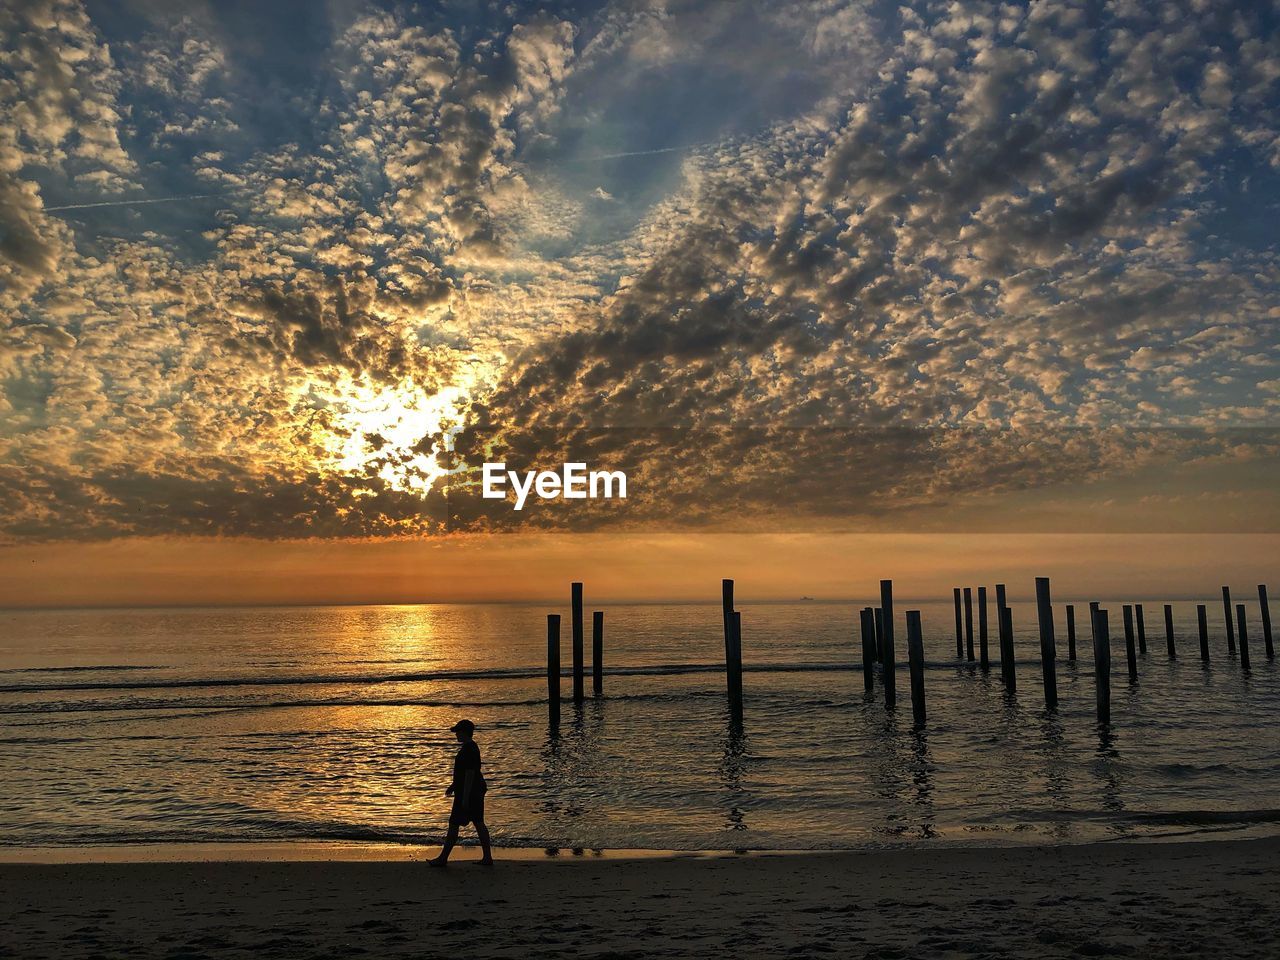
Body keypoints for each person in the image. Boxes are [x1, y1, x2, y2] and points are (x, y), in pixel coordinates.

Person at [427, 718, 492, 866]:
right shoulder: (470, 748)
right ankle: (487, 857)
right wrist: (453, 786)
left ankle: (443, 859)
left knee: (455, 823)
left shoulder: (469, 750)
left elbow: (469, 774)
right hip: (472, 790)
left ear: (464, 733)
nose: (456, 734)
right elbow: (463, 774)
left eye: (458, 732)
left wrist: (464, 798)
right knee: (478, 822)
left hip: (469, 792)